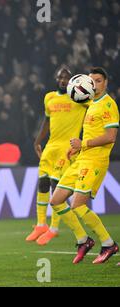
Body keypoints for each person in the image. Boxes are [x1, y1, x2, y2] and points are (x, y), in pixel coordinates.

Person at [49, 67, 118, 264]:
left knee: (78, 205)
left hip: (95, 160)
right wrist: (78, 149)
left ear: (106, 83)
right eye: (91, 80)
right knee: (56, 201)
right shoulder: (91, 103)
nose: (94, 84)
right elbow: (92, 133)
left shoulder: (107, 105)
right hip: (82, 159)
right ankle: (83, 240)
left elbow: (110, 136)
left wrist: (83, 144)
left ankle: (108, 244)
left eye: (98, 80)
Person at [25, 67, 88, 245]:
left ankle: (54, 228)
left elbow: (93, 109)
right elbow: (47, 120)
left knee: (55, 186)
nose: (63, 80)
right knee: (43, 182)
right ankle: (40, 225)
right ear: (56, 78)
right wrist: (38, 140)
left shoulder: (79, 97)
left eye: (66, 77)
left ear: (72, 80)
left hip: (66, 148)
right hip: (51, 146)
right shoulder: (49, 97)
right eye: (60, 77)